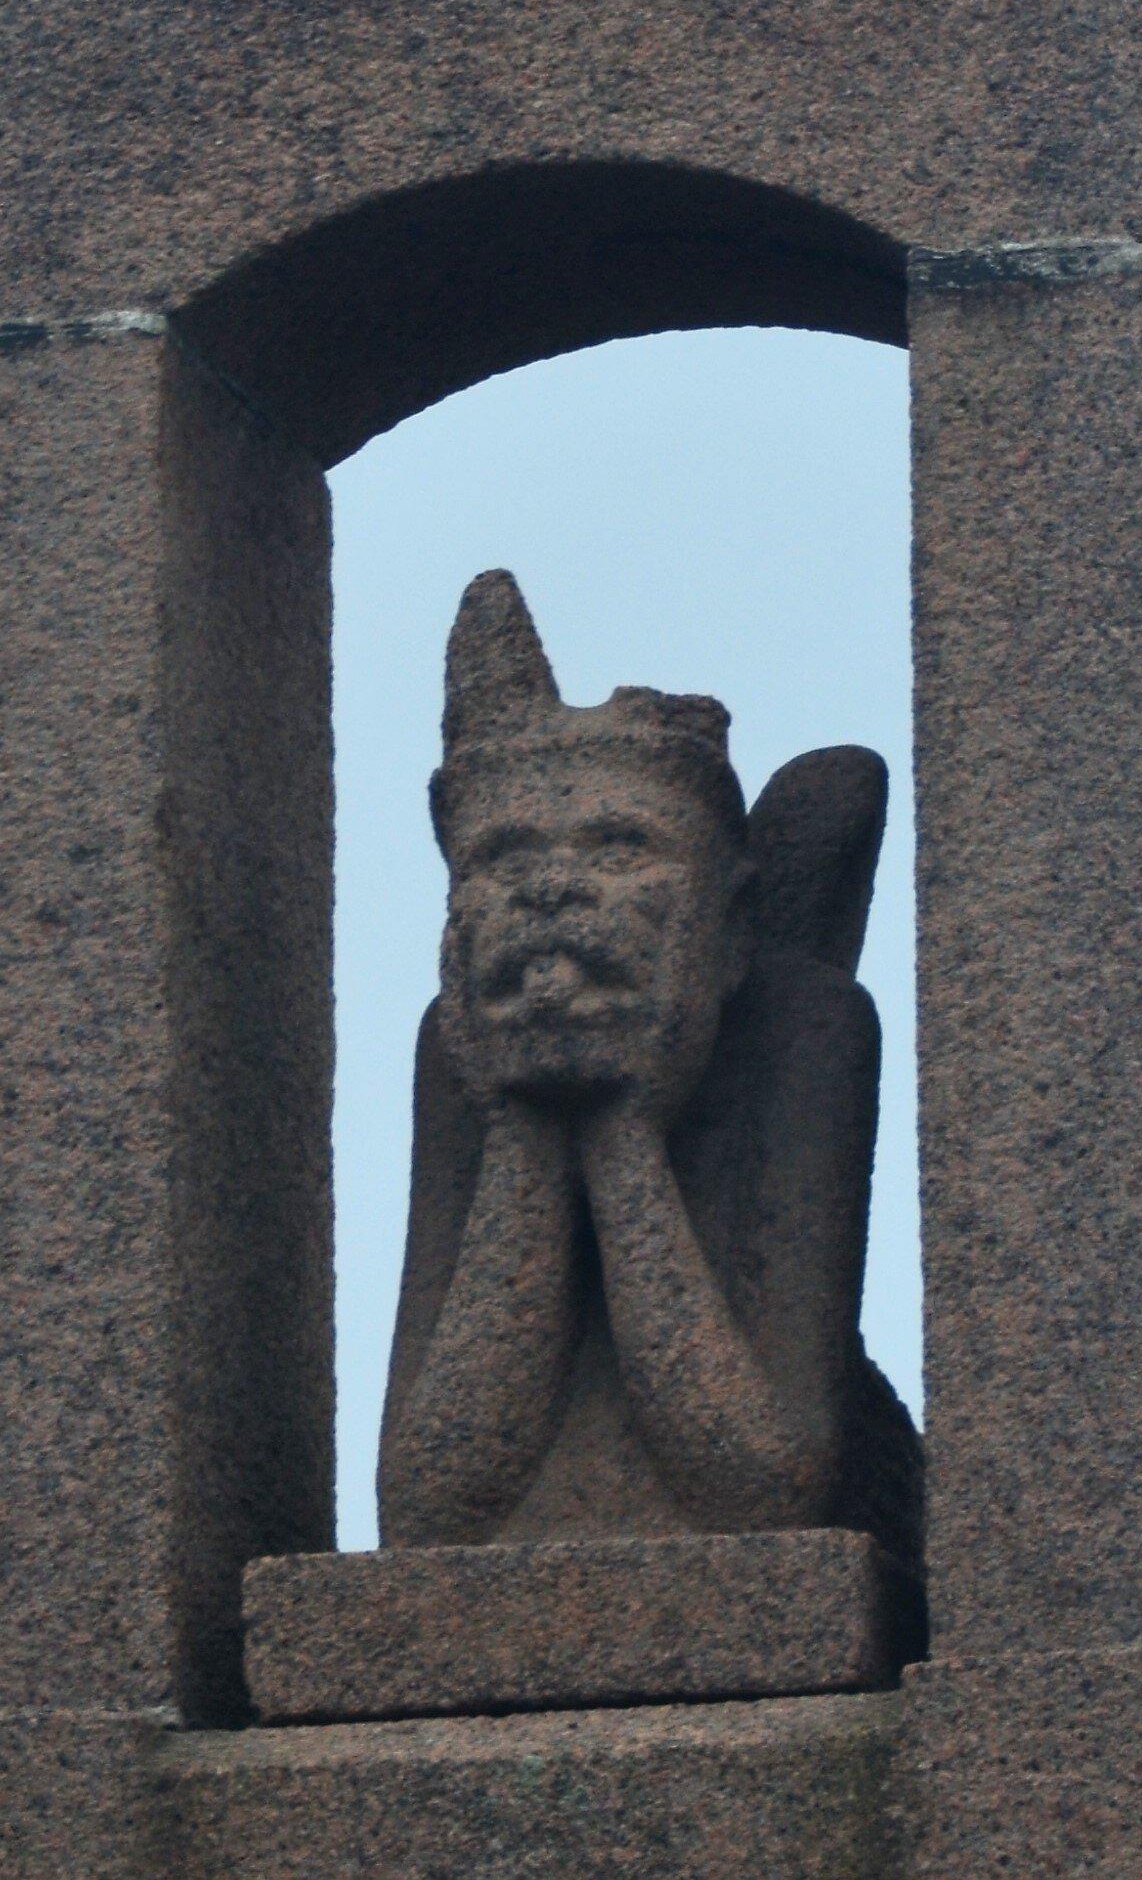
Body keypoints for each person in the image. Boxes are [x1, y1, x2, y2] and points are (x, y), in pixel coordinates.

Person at [376, 569, 921, 1572]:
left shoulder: (803, 1028)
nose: (549, 887)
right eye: (499, 858)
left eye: (619, 848)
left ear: (731, 922)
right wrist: (527, 1120)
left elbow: (760, 1490)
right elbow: (432, 1504)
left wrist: (626, 1127)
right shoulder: (458, 1055)